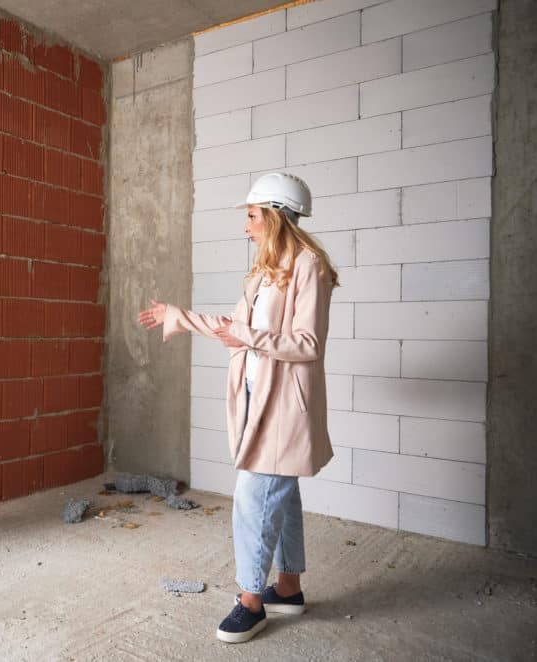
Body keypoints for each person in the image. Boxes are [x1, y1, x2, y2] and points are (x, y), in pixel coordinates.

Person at [138, 172, 338, 644]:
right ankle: (287, 587)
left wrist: (246, 336)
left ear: (273, 215)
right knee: (279, 494)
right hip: (258, 396)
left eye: (251, 216)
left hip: (285, 404)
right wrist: (178, 317)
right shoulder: (265, 270)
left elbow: (307, 343)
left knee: (254, 497)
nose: (245, 225)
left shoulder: (308, 265)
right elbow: (235, 326)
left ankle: (252, 600)